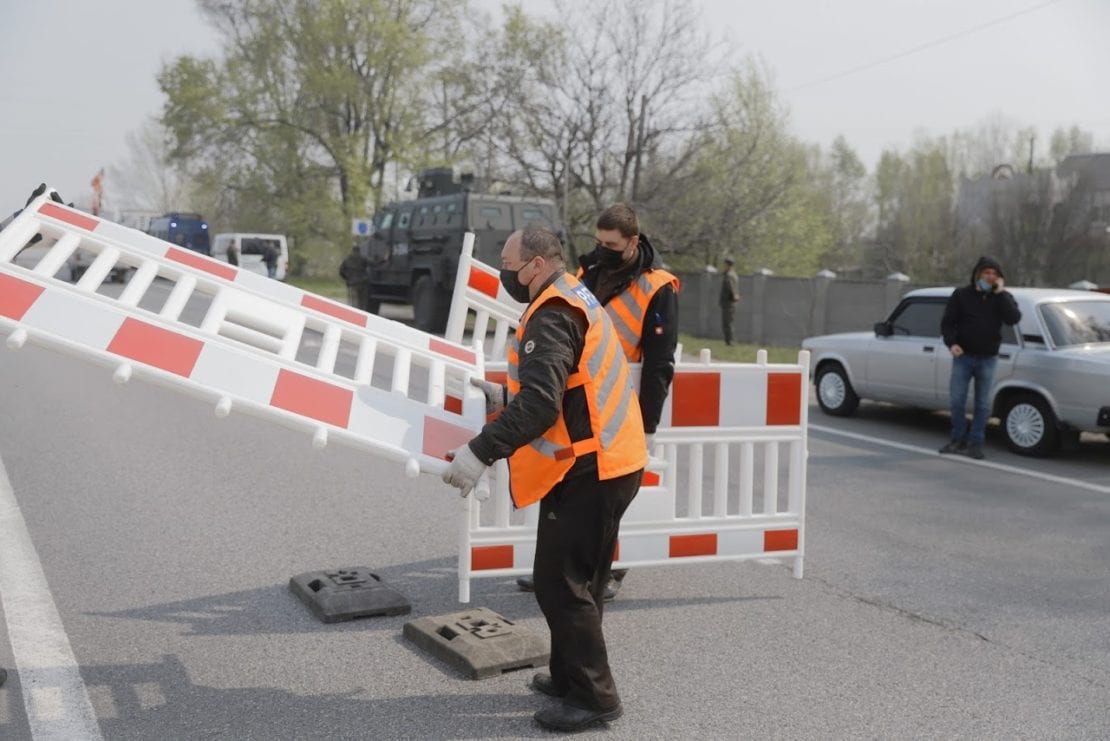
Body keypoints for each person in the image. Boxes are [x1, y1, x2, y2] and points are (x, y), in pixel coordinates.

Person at [443, 226, 646, 733]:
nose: (504, 271)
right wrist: (501, 399)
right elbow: (563, 388)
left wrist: (479, 452)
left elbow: (542, 403)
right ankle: (568, 678)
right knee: (583, 580)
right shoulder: (572, 295)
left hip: (591, 469)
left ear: (535, 266)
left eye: (509, 263)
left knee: (560, 584)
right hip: (610, 460)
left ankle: (595, 698)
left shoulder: (552, 313)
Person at [516, 202, 678, 601]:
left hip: (622, 405)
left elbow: (660, 364)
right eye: (598, 241)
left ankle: (605, 571)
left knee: (605, 494)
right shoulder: (588, 271)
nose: (603, 248)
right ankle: (556, 569)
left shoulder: (658, 286)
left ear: (633, 241)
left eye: (612, 243)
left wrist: (648, 424)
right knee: (565, 481)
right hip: (581, 396)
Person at [939, 256, 1021, 460]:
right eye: (987, 273)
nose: (990, 277)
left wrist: (1000, 293)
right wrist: (952, 343)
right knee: (957, 400)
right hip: (963, 356)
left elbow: (1013, 319)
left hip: (988, 358)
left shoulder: (1003, 297)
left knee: (982, 404)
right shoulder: (961, 295)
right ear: (977, 275)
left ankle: (976, 442)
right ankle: (957, 439)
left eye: (995, 274)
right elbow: (947, 323)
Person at [719, 255, 741, 345]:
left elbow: (732, 288)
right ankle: (728, 341)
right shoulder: (731, 274)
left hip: (729, 303)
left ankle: (730, 341)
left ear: (727, 264)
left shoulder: (730, 275)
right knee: (728, 322)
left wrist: (735, 296)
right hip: (729, 302)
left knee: (728, 323)